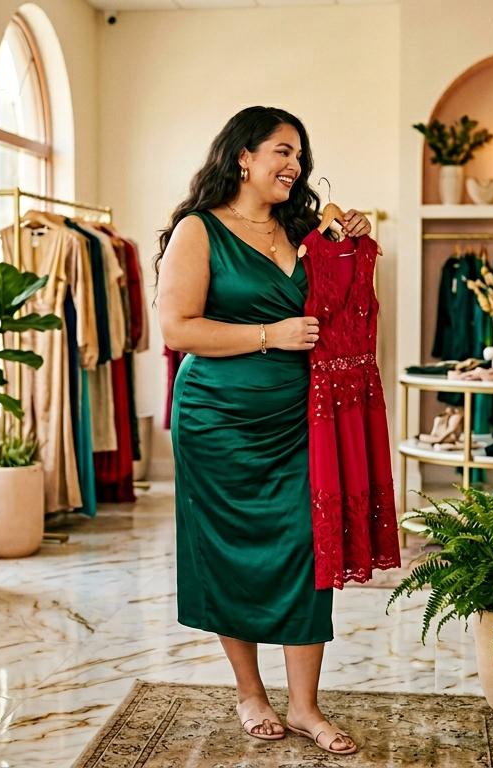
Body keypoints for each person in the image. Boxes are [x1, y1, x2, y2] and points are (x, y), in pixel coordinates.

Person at [156, 106, 373, 755]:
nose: (294, 166)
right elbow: (177, 328)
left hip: (301, 419)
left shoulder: (304, 228)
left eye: (300, 156)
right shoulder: (199, 231)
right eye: (282, 151)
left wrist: (352, 242)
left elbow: (348, 305)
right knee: (230, 554)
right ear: (242, 156)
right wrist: (267, 335)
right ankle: (250, 690)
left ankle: (305, 706)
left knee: (310, 549)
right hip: (218, 421)